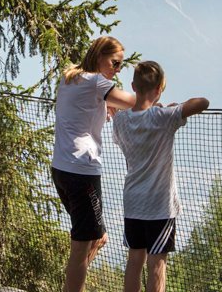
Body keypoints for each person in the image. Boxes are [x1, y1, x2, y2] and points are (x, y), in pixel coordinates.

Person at [111, 61, 209, 292]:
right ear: (159, 89)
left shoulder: (121, 120)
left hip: (133, 201)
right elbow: (203, 102)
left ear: (133, 86)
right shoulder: (163, 117)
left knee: (134, 261)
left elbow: (125, 123)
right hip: (159, 206)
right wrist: (174, 108)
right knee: (157, 264)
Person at [52, 36, 136, 292]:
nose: (117, 69)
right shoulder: (97, 82)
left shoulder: (70, 78)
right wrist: (159, 103)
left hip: (61, 168)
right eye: (115, 62)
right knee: (84, 244)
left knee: (97, 238)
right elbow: (133, 102)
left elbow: (85, 107)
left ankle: (70, 285)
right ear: (100, 56)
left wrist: (104, 104)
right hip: (81, 171)